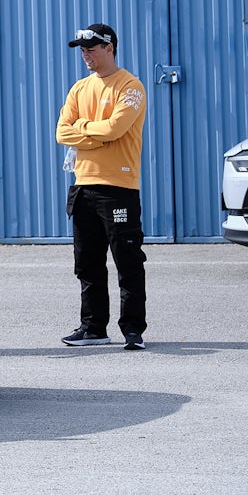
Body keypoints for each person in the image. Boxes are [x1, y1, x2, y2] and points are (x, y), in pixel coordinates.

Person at [55, 23, 148, 350]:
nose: (86, 55)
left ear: (110, 47)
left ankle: (133, 330)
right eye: (82, 50)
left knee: (128, 261)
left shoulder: (130, 86)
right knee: (87, 262)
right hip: (83, 187)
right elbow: (61, 132)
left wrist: (86, 131)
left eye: (92, 49)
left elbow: (115, 128)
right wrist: (96, 134)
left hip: (119, 187)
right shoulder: (79, 89)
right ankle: (93, 327)